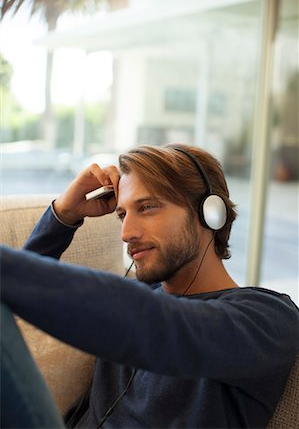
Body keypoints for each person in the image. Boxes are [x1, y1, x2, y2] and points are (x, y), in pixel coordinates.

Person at [1, 143, 298, 429]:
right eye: (122, 215)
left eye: (147, 208)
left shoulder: (267, 317)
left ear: (210, 213)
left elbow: (161, 325)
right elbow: (20, 300)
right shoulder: (139, 298)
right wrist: (63, 215)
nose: (126, 233)